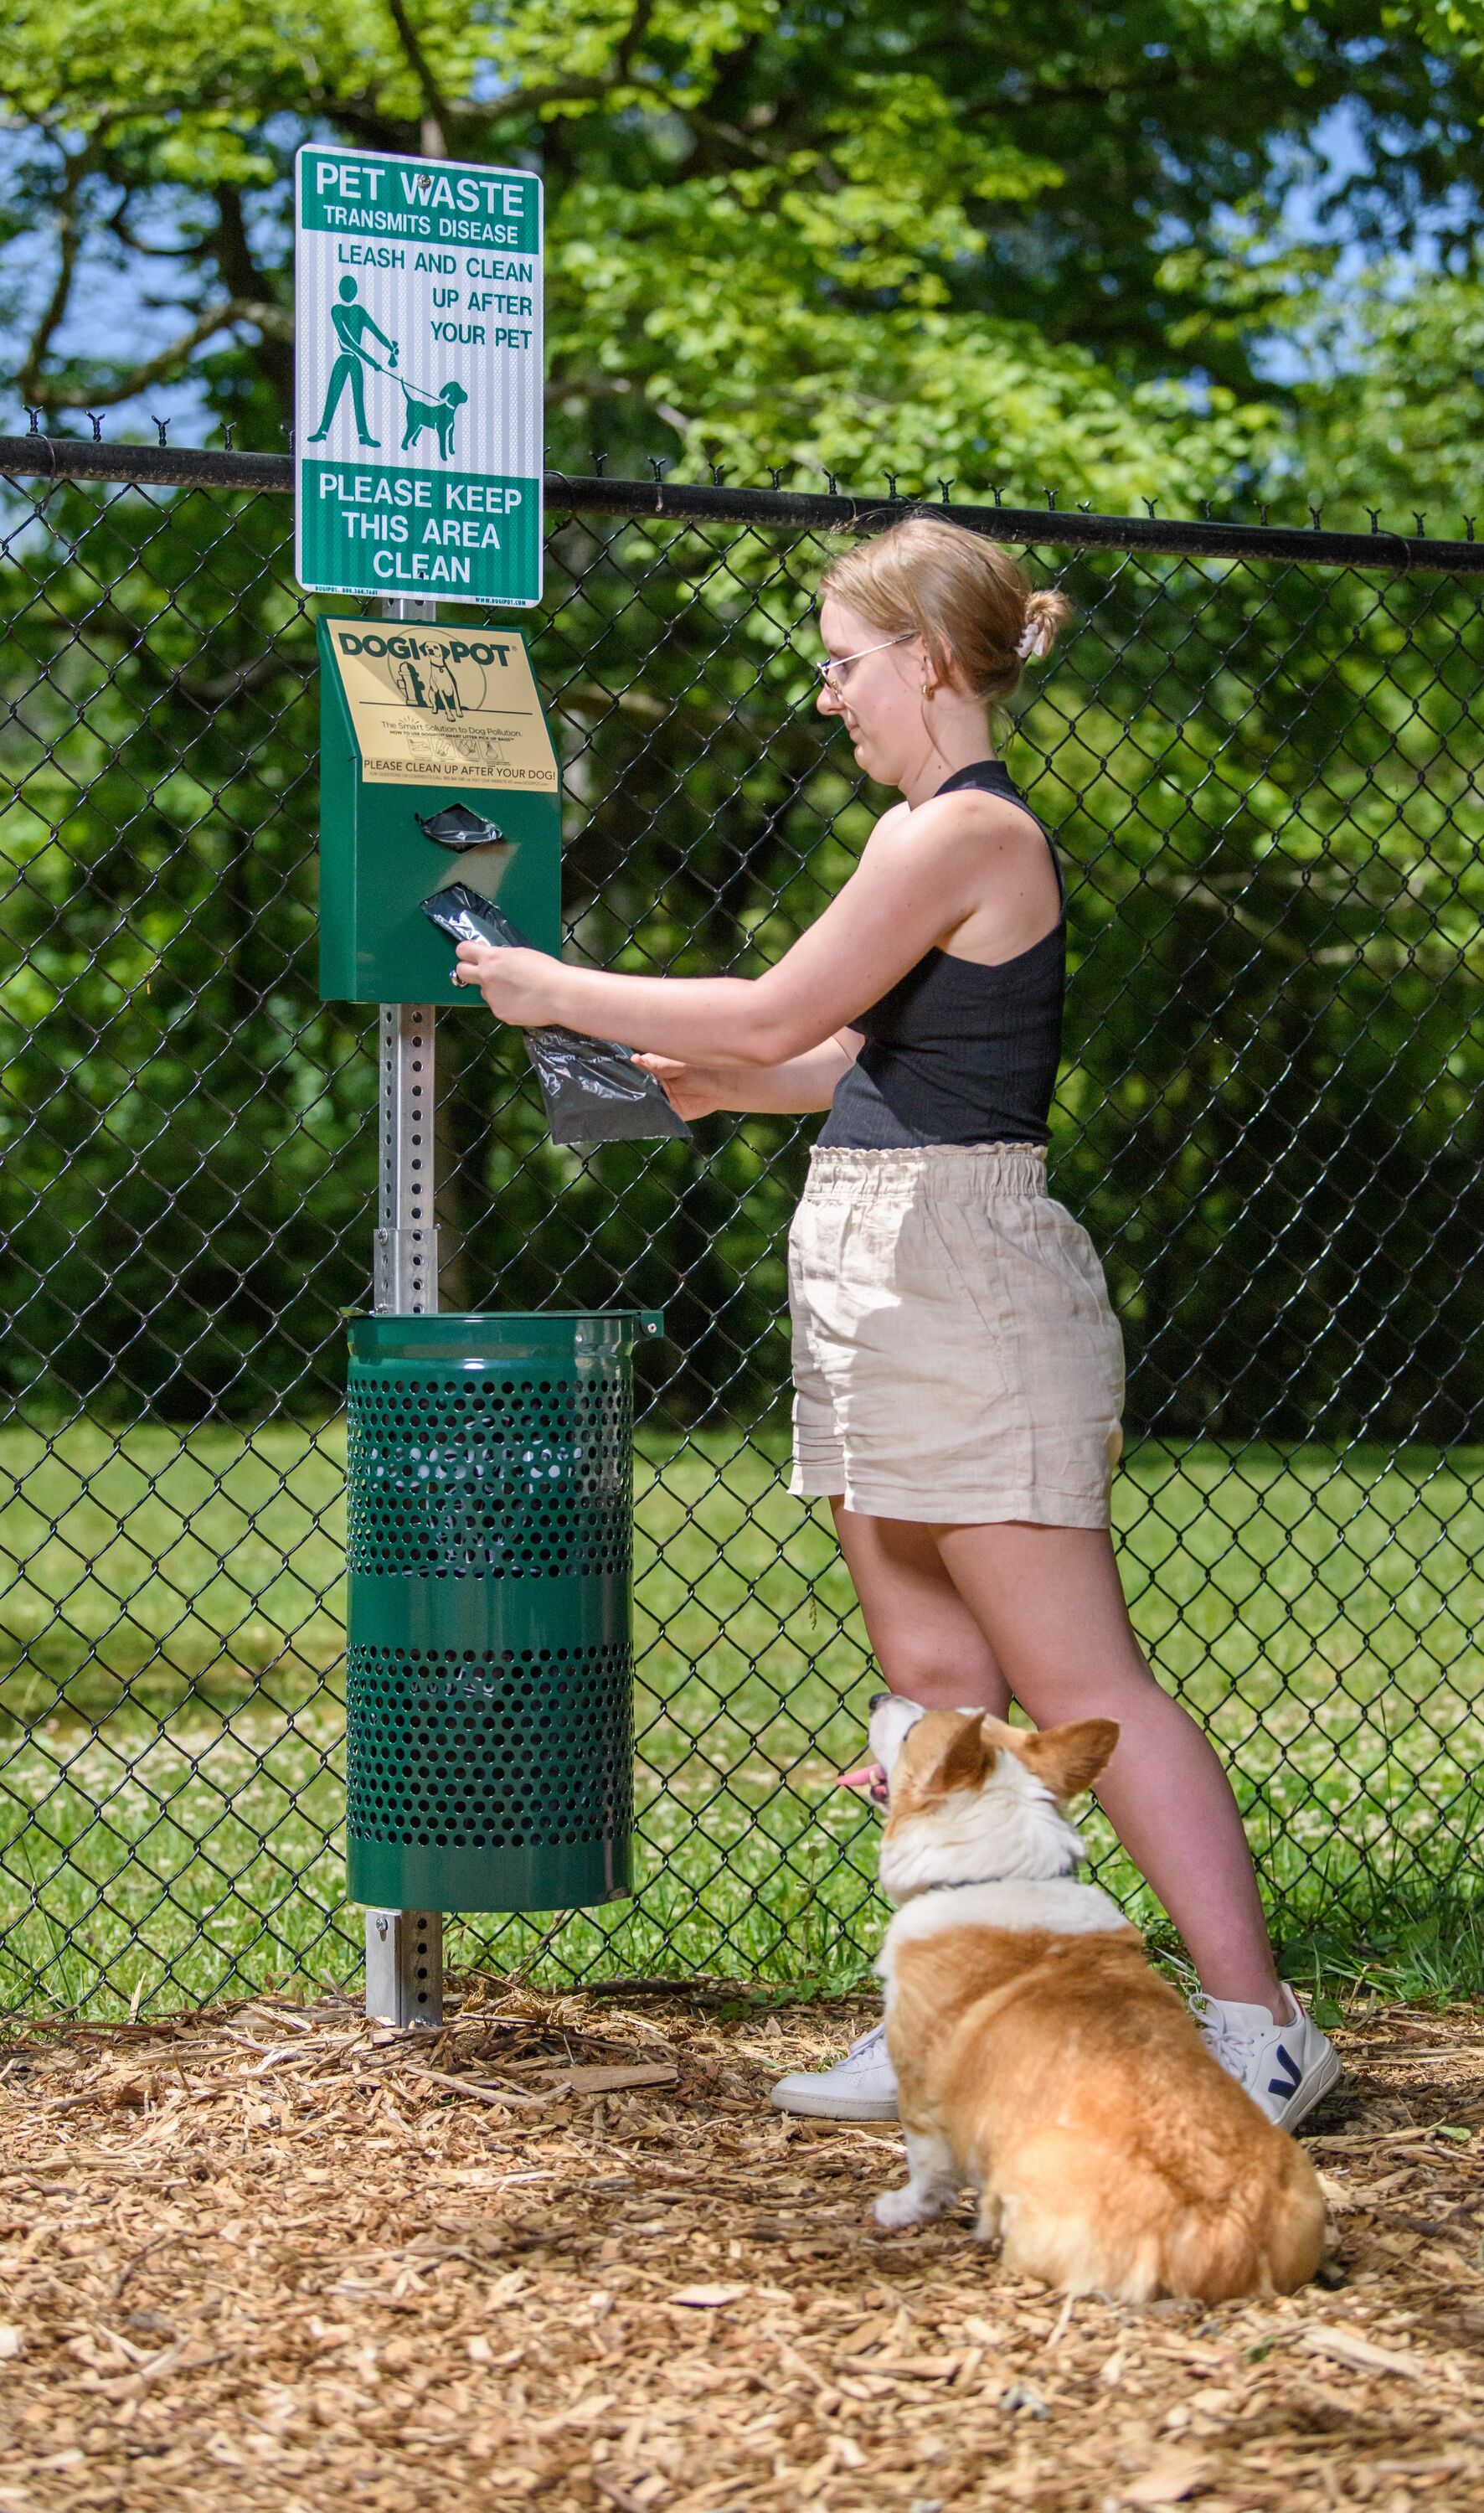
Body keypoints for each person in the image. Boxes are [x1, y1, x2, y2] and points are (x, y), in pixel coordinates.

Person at [451, 512, 1340, 2134]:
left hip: (966, 1278)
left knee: (1082, 1680)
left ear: (928, 663)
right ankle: (945, 2023)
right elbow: (845, 1059)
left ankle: (1261, 2025)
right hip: (875, 1261)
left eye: (842, 665)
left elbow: (783, 1005)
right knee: (930, 1679)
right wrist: (720, 1087)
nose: (823, 698)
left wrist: (558, 986)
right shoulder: (921, 840)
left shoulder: (961, 836)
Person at [308, 278, 397, 449]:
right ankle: (322, 432)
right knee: (333, 396)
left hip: (356, 362)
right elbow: (346, 340)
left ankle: (364, 436)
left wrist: (390, 347)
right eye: (345, 289)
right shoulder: (337, 310)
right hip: (344, 358)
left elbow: (376, 332)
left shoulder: (359, 311)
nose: (348, 292)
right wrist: (372, 361)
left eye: (351, 289)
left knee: (358, 400)